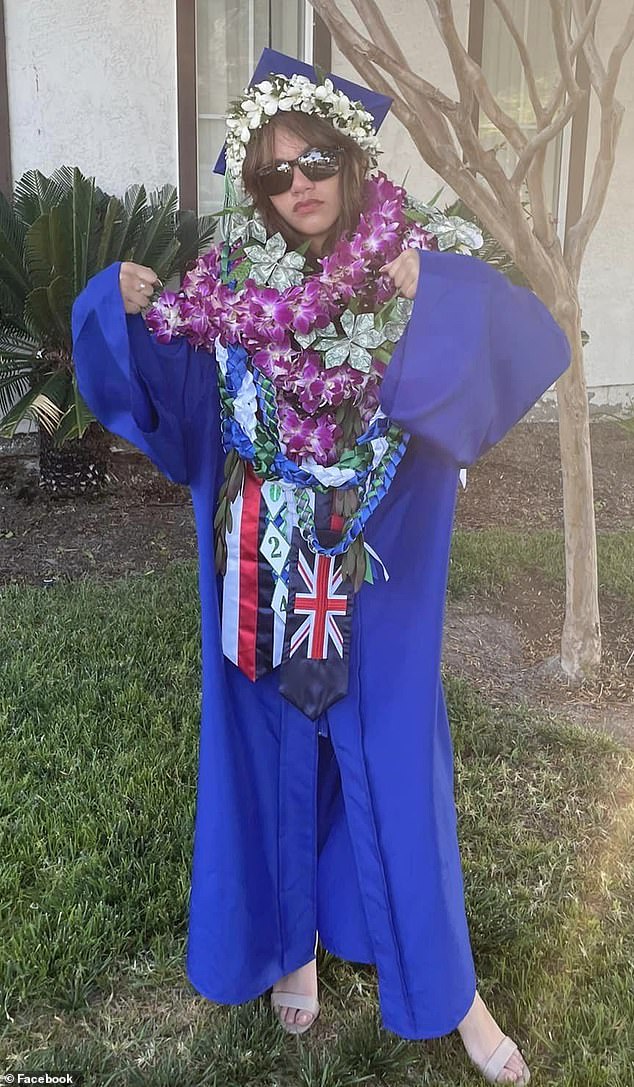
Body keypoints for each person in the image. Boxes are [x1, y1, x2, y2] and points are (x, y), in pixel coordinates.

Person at [71, 50, 571, 1086]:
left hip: (379, 569)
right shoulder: (225, 290)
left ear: (352, 162)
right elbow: (171, 402)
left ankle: (451, 992)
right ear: (252, 190)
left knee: (393, 757)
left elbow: (516, 342)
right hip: (260, 564)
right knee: (269, 747)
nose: (296, 183)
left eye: (315, 160)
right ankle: (290, 942)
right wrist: (110, 310)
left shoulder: (410, 263)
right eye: (271, 172)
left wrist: (437, 290)